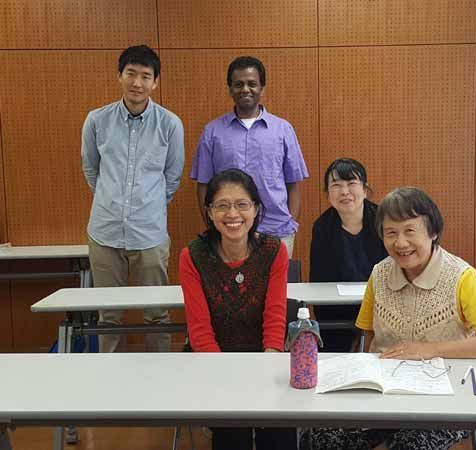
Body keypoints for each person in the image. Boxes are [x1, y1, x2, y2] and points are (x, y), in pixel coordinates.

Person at [309, 187, 476, 450]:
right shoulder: (379, 274)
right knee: (321, 437)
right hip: (385, 397)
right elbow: (370, 337)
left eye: (410, 231)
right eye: (391, 233)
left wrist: (427, 350)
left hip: (445, 398)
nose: (400, 243)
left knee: (410, 444)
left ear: (433, 231)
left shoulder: (462, 277)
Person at [179, 168, 297, 450]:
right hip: (215, 362)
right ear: (209, 212)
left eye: (242, 204)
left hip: (266, 357)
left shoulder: (273, 250)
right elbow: (200, 331)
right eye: (222, 205)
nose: (233, 214)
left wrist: (267, 369)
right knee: (232, 432)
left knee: (278, 430)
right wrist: (227, 378)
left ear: (256, 209)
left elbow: (275, 316)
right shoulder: (193, 255)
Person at [81, 44, 184, 353]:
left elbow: (172, 176)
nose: (137, 82)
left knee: (156, 313)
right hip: (105, 230)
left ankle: (160, 376)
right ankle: (108, 378)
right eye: (131, 74)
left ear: (156, 82)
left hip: (149, 233)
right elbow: (91, 169)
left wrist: (147, 206)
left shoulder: (169, 124)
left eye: (145, 76)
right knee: (108, 314)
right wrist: (111, 200)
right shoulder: (97, 120)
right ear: (119, 76)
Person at [190, 56, 309, 257]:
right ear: (230, 89)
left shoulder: (283, 130)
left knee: (275, 288)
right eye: (239, 84)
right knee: (231, 288)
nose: (245, 89)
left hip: (277, 231)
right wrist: (213, 225)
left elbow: (293, 184)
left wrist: (291, 224)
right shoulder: (212, 132)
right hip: (229, 230)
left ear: (262, 87)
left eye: (252, 84)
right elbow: (203, 185)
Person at [310, 158, 387, 352]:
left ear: (365, 189)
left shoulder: (384, 220)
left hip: (383, 304)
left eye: (351, 183)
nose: (344, 191)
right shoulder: (322, 227)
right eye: (336, 185)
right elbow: (319, 282)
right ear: (328, 194)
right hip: (338, 309)